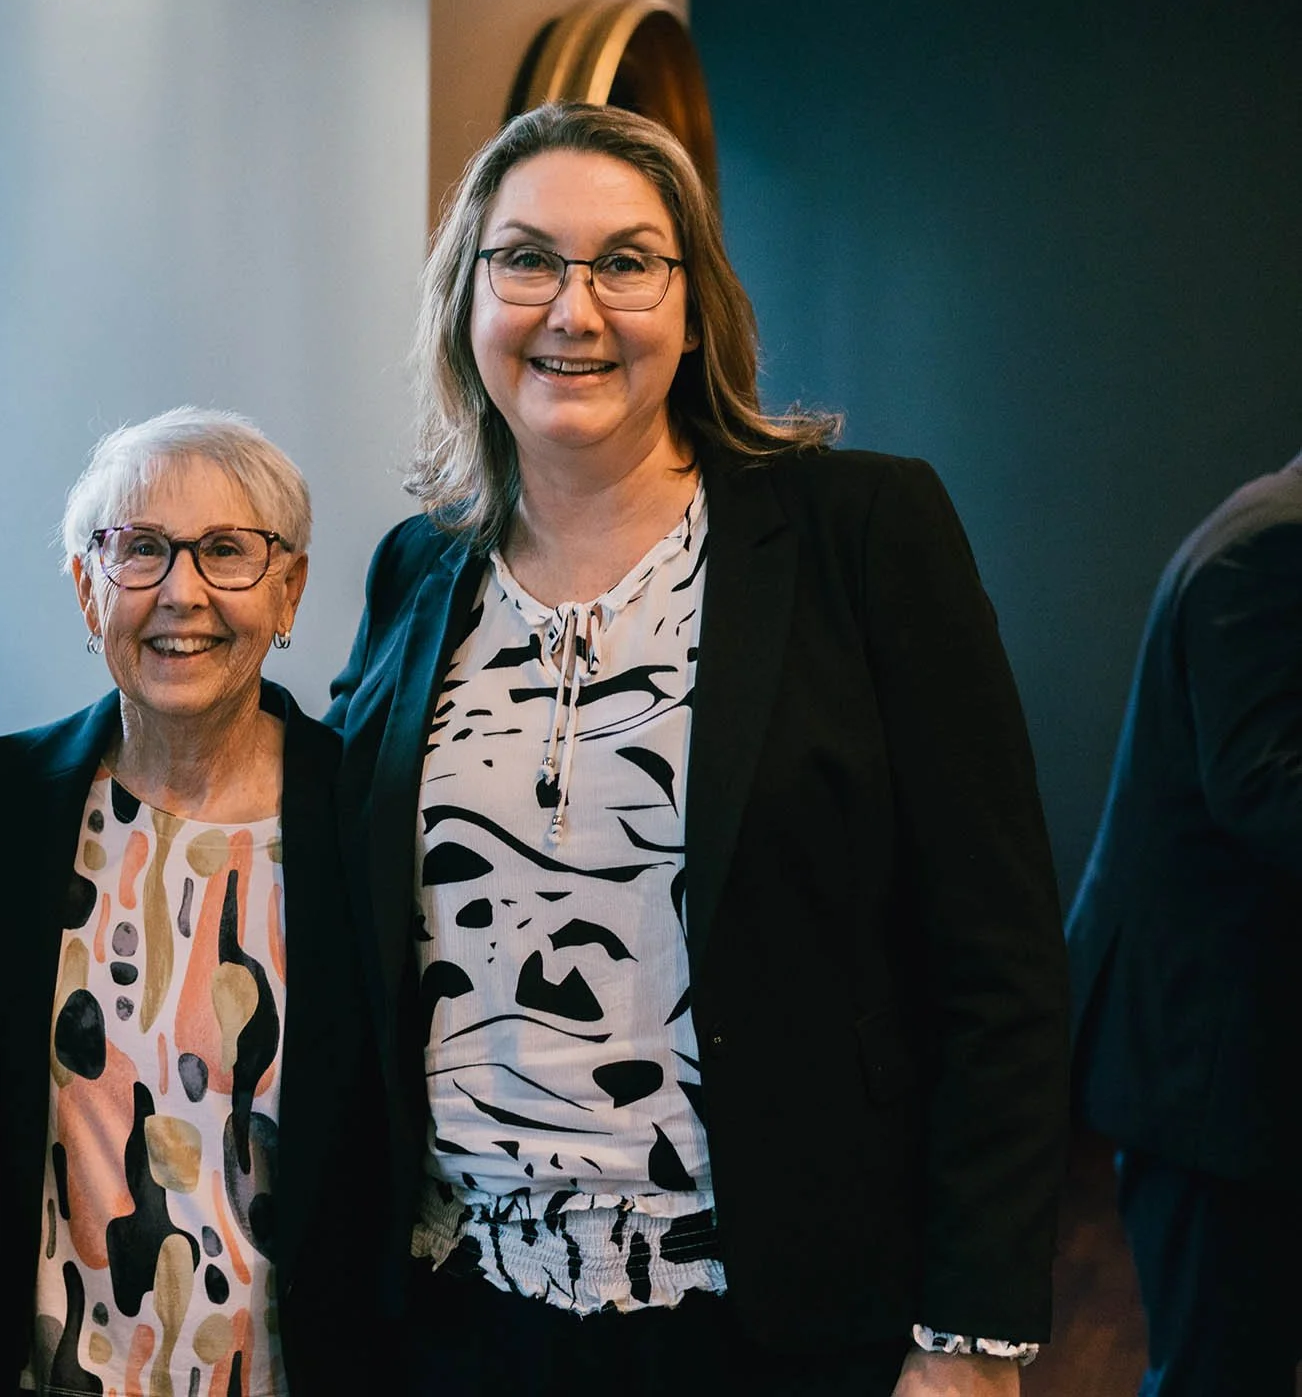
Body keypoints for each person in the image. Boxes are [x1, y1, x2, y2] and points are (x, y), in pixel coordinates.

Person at [328, 103, 1069, 1396]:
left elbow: (998, 959)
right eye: (526, 260)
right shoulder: (415, 568)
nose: (574, 308)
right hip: (463, 1315)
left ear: (693, 300)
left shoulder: (857, 531)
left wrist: (966, 1336)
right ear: (466, 298)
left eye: (625, 261)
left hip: (774, 1317)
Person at [0, 409, 386, 1396]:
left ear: (287, 590)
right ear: (87, 590)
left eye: (225, 553)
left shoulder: (370, 820)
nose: (182, 593)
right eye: (140, 551)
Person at [1066, 455, 1302, 1396]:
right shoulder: (1271, 547)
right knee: (1218, 1369)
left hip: (1242, 1045)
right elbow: (1262, 788)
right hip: (1210, 1060)